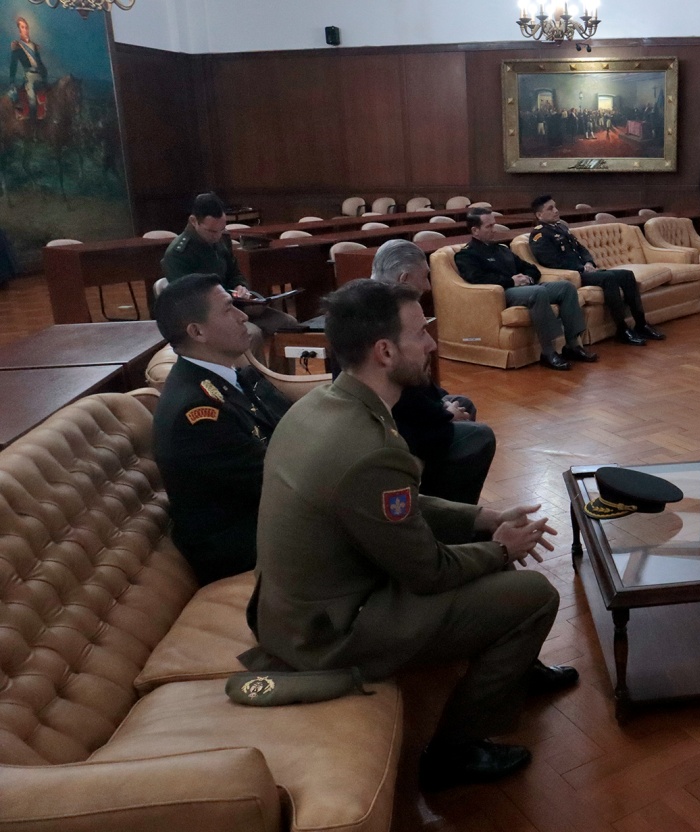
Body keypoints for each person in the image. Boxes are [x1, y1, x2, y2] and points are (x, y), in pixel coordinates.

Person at [246, 278, 577, 789]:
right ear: (384, 351)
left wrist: (482, 519)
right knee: (535, 595)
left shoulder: (321, 405)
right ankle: (454, 752)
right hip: (329, 633)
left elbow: (391, 506)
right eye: (420, 333)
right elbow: (429, 572)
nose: (431, 344)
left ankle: (512, 665)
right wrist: (498, 549)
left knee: (489, 556)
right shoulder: (370, 445)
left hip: (296, 610)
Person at [152, 273, 293, 584]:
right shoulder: (197, 413)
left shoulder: (234, 376)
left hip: (270, 514)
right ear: (197, 331)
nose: (243, 317)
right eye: (229, 309)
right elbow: (277, 480)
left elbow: (292, 427)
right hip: (242, 544)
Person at [371, 239, 497, 504]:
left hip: (408, 411)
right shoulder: (383, 317)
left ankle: (447, 494)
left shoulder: (372, 302)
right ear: (404, 279)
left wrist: (443, 405)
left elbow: (416, 386)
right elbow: (400, 395)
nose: (428, 286)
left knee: (462, 403)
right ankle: (453, 511)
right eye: (425, 277)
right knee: (481, 436)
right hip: (394, 428)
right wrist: (444, 415)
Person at [454, 208, 597, 371]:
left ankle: (572, 345)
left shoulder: (501, 249)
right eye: (489, 226)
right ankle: (548, 352)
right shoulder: (467, 255)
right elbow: (477, 278)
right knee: (538, 292)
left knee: (566, 287)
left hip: (526, 286)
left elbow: (531, 268)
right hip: (502, 292)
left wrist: (527, 277)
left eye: (494, 225)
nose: (494, 229)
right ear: (475, 230)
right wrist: (512, 281)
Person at [528, 194, 664, 346]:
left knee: (627, 275)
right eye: (550, 208)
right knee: (608, 278)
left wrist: (589, 262)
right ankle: (622, 329)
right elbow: (552, 261)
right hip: (574, 275)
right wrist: (581, 268)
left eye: (555, 207)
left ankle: (641, 324)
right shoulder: (539, 235)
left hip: (585, 270)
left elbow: (581, 249)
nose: (556, 210)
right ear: (539, 215)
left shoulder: (561, 227)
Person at [162, 193, 298, 343]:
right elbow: (190, 299)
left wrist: (241, 287)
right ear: (194, 221)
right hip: (207, 317)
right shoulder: (178, 254)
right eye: (212, 231)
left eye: (222, 229)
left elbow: (234, 273)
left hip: (236, 306)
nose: (217, 236)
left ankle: (277, 360)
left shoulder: (222, 240)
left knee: (288, 324)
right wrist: (229, 299)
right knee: (252, 334)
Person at [9, 16, 45, 121]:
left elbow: (40, 63)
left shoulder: (34, 46)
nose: (25, 30)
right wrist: (12, 80)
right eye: (22, 27)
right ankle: (32, 120)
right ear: (19, 30)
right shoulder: (17, 47)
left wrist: (44, 74)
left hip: (39, 74)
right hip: (29, 76)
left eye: (26, 27)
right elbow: (13, 65)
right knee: (31, 97)